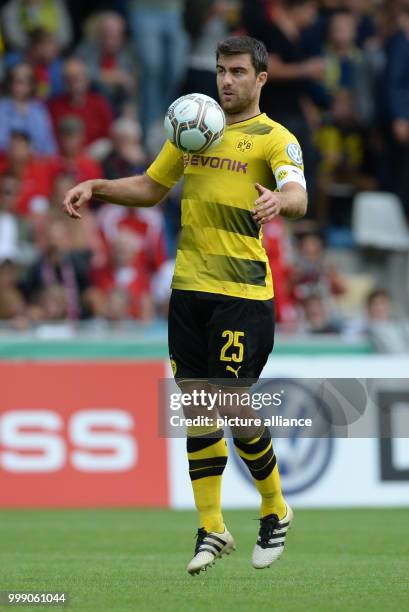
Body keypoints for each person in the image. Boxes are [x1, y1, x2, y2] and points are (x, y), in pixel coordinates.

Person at [63, 36, 308, 574]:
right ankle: (212, 527)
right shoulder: (195, 125)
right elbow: (152, 187)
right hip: (190, 289)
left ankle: (274, 507)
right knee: (198, 409)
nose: (226, 81)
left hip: (242, 293)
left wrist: (278, 201)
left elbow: (298, 193)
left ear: (261, 78)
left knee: (230, 402)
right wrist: (99, 186)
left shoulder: (275, 139)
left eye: (238, 72)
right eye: (221, 70)